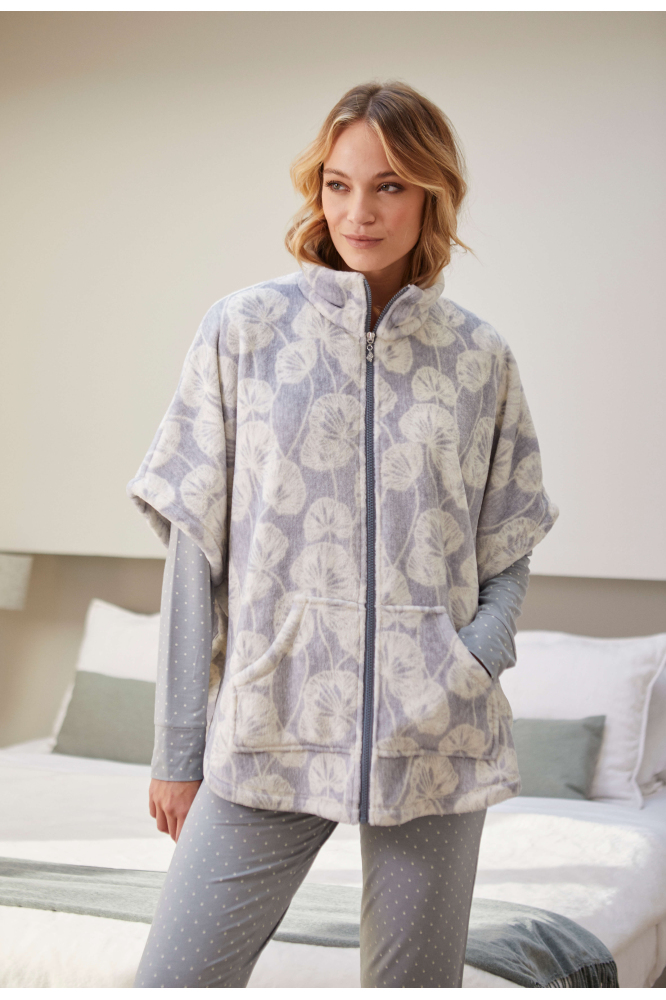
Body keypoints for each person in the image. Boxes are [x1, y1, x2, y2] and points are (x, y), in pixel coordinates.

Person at [126, 80, 558, 988]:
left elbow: (508, 544)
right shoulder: (243, 332)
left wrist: (470, 660)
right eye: (338, 183)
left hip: (434, 732)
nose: (359, 211)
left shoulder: (480, 358)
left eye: (389, 185)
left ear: (432, 194)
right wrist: (177, 748)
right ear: (317, 190)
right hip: (272, 721)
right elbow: (193, 546)